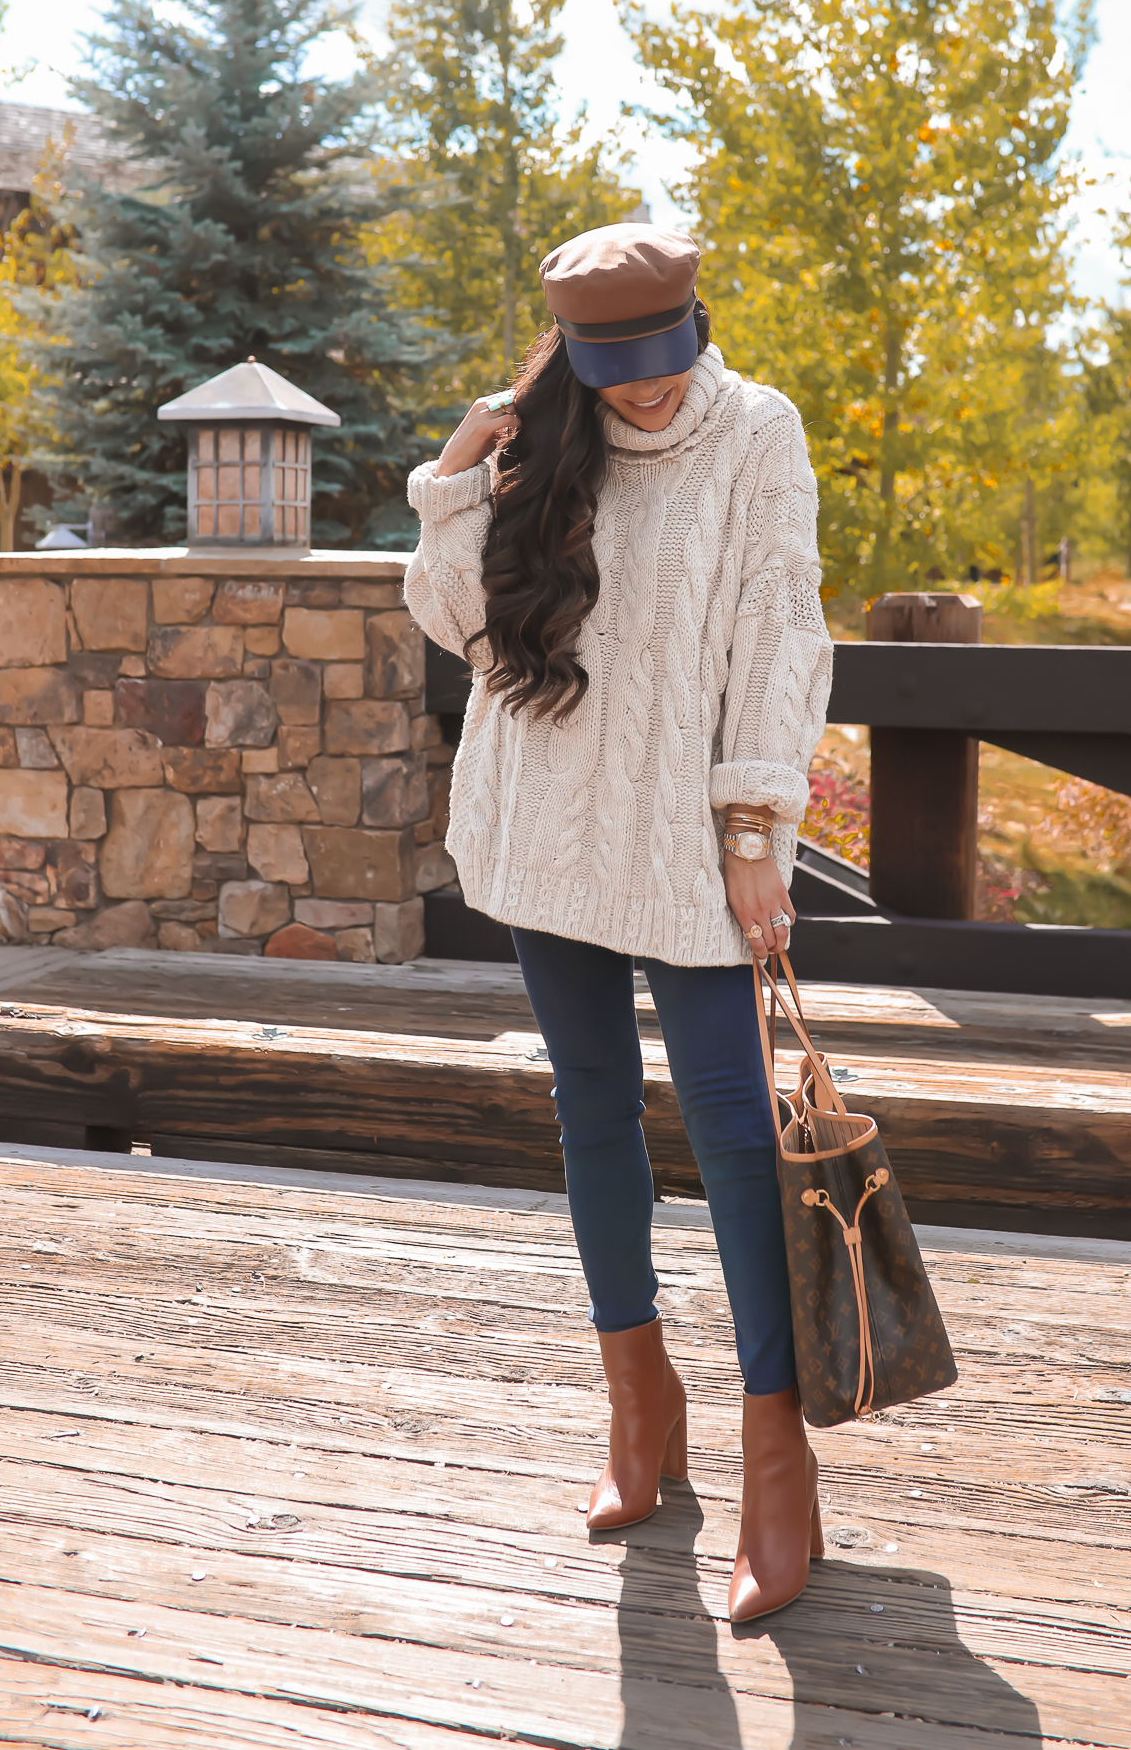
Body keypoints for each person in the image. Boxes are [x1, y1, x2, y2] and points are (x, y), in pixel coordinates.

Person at [405, 223, 833, 1621]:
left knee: (730, 1129)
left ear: (695, 323)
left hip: (688, 849)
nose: (644, 394)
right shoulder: (550, 438)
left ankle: (780, 1455)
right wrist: (457, 479)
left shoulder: (757, 431)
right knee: (589, 1104)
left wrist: (757, 826)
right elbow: (457, 619)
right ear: (578, 359)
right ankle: (637, 1398)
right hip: (547, 827)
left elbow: (782, 629)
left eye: (661, 364)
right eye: (615, 373)